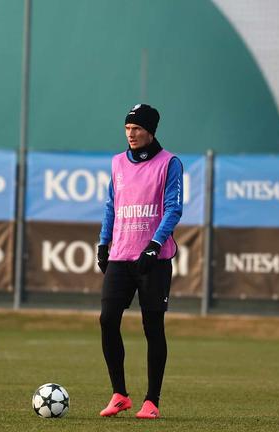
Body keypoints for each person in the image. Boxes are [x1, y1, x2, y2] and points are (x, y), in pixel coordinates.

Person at [96, 103, 183, 420]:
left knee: (152, 326)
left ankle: (152, 401)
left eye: (137, 129)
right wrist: (104, 242)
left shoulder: (169, 163)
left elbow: (174, 208)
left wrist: (155, 244)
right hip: (120, 256)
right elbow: (111, 204)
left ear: (150, 131)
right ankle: (119, 394)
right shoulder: (118, 163)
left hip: (154, 260)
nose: (131, 134)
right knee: (107, 321)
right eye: (127, 129)